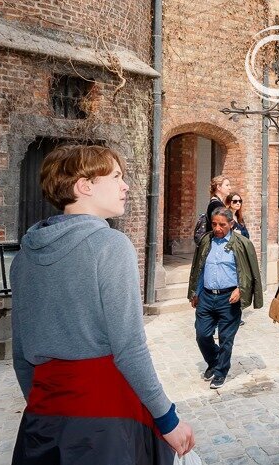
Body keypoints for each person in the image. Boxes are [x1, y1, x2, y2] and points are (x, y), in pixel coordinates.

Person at [11, 144, 195, 464]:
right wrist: (167, 419)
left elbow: (20, 355)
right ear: (85, 186)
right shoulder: (110, 245)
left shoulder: (24, 256)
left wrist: (47, 405)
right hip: (104, 422)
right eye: (116, 176)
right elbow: (129, 348)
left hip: (43, 415)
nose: (126, 186)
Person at [188, 205, 262, 389]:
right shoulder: (206, 241)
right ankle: (213, 361)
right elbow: (199, 268)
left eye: (222, 224)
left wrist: (241, 289)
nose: (217, 228)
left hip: (229, 298)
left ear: (231, 223)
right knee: (202, 334)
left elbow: (248, 271)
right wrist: (195, 292)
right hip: (206, 296)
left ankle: (220, 372)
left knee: (225, 338)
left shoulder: (241, 244)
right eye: (214, 224)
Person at [195, 174, 234, 245]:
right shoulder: (216, 204)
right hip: (217, 241)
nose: (230, 188)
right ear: (218, 187)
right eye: (227, 185)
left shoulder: (216, 202)